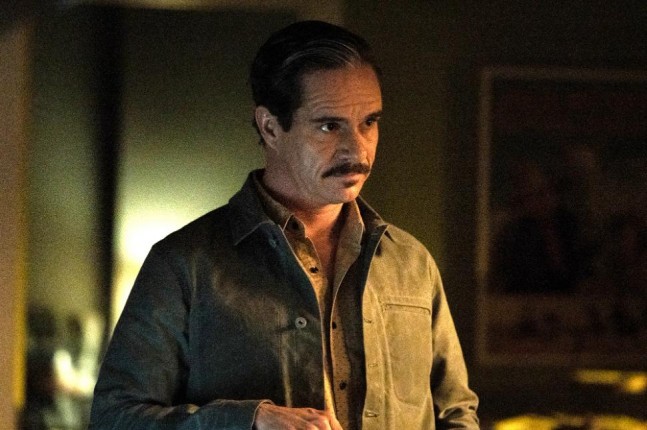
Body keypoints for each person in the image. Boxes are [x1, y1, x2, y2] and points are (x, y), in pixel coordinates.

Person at [90, 20, 479, 430]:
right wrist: (251, 421)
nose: (357, 149)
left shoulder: (411, 264)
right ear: (270, 127)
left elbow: (456, 414)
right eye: (329, 126)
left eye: (369, 122)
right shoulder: (185, 264)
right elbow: (115, 418)